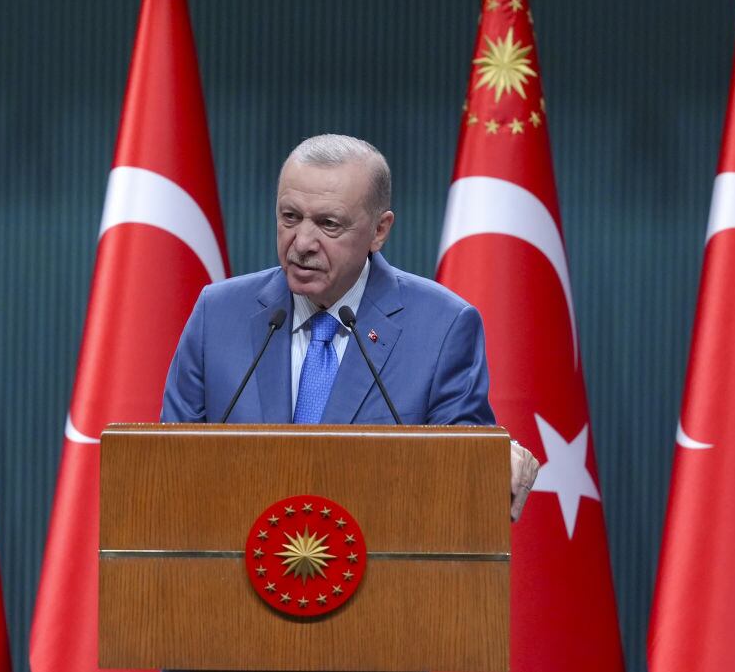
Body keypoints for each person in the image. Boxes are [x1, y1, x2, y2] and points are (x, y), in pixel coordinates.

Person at [161, 134, 539, 519]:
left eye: (329, 224)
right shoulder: (219, 314)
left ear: (379, 231)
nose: (302, 242)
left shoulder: (442, 328)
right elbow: (168, 468)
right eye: (290, 217)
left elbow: (461, 474)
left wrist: (490, 461)